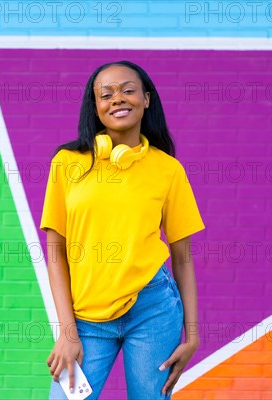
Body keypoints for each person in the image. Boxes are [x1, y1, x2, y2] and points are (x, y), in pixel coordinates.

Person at [39, 60, 206, 399]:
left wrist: (192, 335)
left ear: (146, 99)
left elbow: (182, 257)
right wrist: (67, 331)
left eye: (128, 90)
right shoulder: (68, 163)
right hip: (85, 318)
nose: (118, 99)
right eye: (107, 94)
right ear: (96, 107)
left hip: (153, 309)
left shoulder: (168, 170)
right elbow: (55, 251)